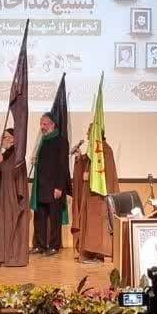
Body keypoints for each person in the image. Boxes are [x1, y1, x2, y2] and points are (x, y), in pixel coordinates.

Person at [71, 127, 120, 263]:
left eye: (89, 132)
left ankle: (98, 254)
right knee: (89, 224)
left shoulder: (105, 150)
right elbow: (86, 165)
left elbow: (106, 173)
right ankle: (90, 253)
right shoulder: (93, 149)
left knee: (97, 226)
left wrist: (91, 176)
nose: (87, 134)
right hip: (89, 197)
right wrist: (79, 158)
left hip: (99, 198)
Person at [31, 113, 70, 255]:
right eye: (41, 124)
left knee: (54, 218)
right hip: (41, 187)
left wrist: (59, 187)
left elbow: (62, 166)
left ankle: (54, 245)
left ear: (53, 124)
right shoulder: (43, 140)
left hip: (54, 188)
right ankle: (40, 245)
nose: (42, 127)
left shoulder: (61, 141)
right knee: (39, 218)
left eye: (45, 124)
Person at [0, 128, 31, 267]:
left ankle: (11, 257)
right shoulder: (6, 154)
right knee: (2, 226)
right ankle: (2, 256)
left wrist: (1, 163)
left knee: (11, 226)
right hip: (4, 198)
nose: (3, 140)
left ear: (12, 139)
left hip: (13, 199)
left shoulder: (17, 156)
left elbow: (12, 173)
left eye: (5, 137)